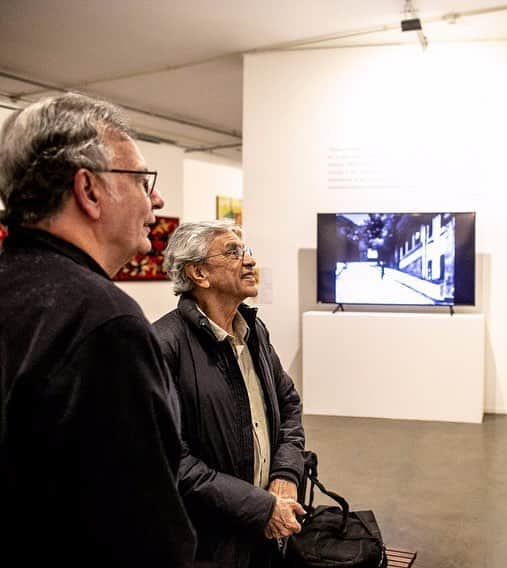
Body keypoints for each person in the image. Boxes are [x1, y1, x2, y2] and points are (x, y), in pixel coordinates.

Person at [0, 94, 196, 566]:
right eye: (142, 181)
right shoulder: (105, 324)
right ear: (89, 190)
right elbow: (141, 532)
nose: (157, 199)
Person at [154, 220, 306, 568]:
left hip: (265, 535)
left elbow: (289, 404)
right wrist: (259, 507)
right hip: (210, 545)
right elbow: (171, 460)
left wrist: (285, 474)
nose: (249, 261)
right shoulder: (163, 346)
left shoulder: (253, 330)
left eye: (246, 250)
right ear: (199, 273)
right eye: (233, 252)